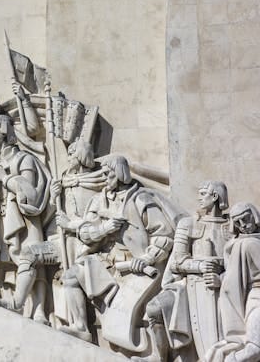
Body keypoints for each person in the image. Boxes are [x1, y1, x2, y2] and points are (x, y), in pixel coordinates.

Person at [59, 155, 175, 349]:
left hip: (134, 265)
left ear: (120, 174)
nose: (105, 178)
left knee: (130, 316)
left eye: (108, 174)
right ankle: (80, 327)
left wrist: (147, 258)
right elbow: (85, 233)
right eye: (103, 174)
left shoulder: (140, 198)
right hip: (106, 260)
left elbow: (163, 235)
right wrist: (105, 228)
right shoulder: (99, 200)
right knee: (71, 275)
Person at [133, 181, 232, 362]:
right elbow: (177, 262)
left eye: (203, 194)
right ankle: (159, 356)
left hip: (224, 285)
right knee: (154, 308)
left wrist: (222, 276)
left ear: (215, 196)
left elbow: (242, 262)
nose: (199, 198)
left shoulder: (232, 226)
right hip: (187, 285)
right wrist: (199, 266)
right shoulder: (188, 224)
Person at [0, 114, 52, 323]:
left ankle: (40, 310)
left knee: (32, 261)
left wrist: (4, 177)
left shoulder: (25, 159)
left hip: (26, 216)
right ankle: (16, 301)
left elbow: (30, 191)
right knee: (12, 263)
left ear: (4, 129)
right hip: (1, 214)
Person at [205, 202, 260, 362]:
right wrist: (220, 280)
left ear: (254, 216)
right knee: (254, 349)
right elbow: (233, 274)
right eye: (237, 222)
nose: (243, 225)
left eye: (245, 219)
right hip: (257, 297)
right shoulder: (240, 244)